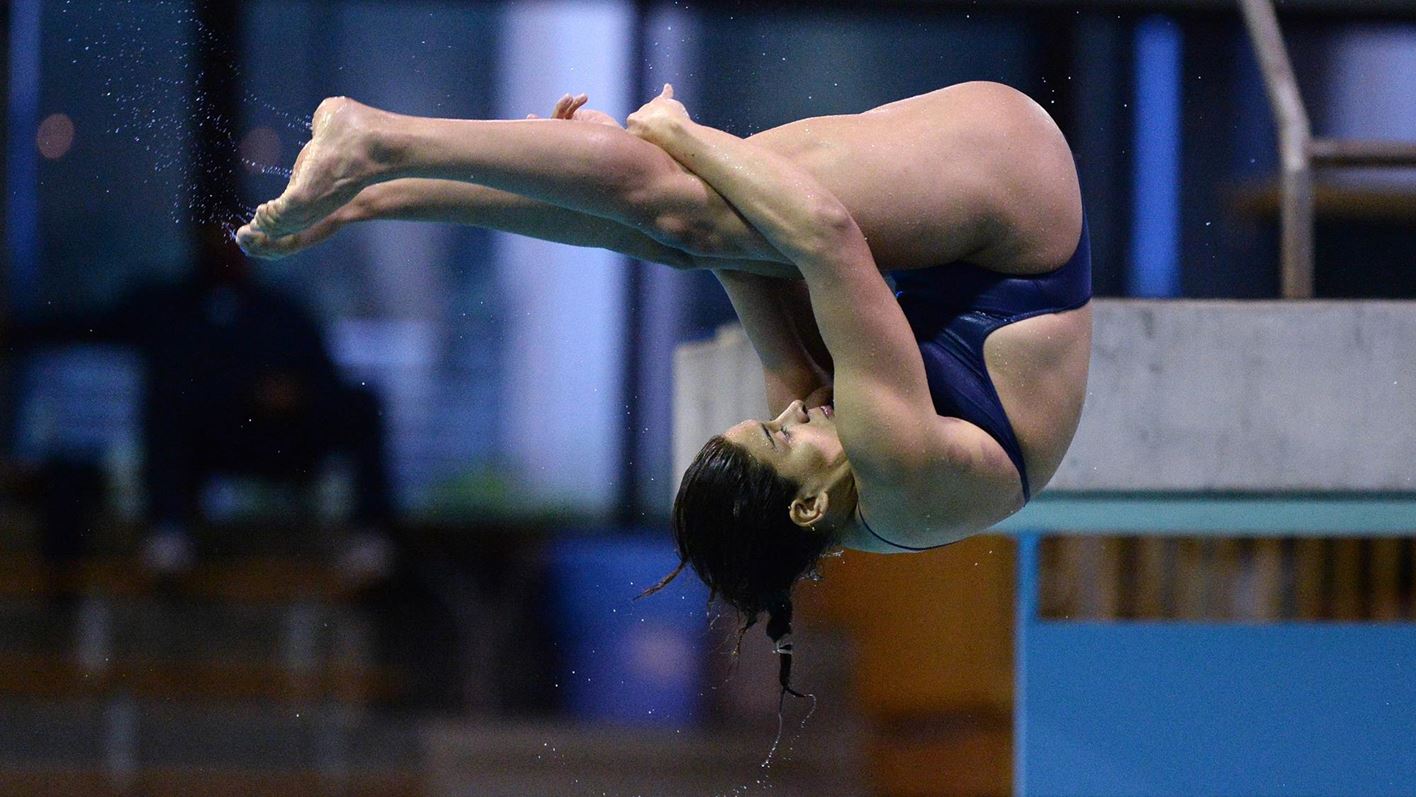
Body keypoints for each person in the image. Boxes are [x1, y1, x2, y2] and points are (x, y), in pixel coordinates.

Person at [239, 81, 1091, 696]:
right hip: (1014, 186)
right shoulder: (897, 469)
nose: (792, 409)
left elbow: (731, 258)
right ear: (805, 509)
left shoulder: (825, 462)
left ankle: (380, 195)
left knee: (684, 233)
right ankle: (379, 141)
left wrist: (602, 161)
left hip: (966, 238)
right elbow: (826, 238)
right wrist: (679, 136)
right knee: (688, 209)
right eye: (782, 434)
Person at [8, 226, 396, 578]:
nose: (224, 246)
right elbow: (80, 326)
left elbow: (325, 384)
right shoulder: (166, 307)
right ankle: (168, 534)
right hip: (201, 446)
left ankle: (371, 538)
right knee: (169, 398)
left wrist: (296, 393)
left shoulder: (281, 313)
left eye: (233, 234)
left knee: (362, 403)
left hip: (278, 442)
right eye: (214, 234)